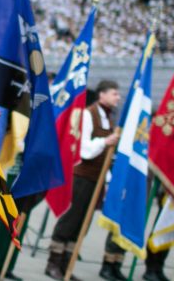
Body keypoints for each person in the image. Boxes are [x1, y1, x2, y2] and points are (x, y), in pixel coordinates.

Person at [45, 80, 122, 280]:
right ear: (102, 94)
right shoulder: (89, 114)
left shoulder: (109, 119)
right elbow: (84, 148)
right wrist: (106, 141)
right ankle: (53, 263)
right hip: (81, 177)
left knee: (82, 224)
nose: (118, 97)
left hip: (96, 179)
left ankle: (66, 265)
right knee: (70, 219)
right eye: (114, 93)